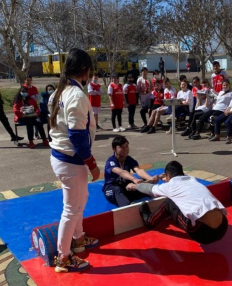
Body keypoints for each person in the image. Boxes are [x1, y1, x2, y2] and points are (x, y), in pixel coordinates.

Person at [48, 48, 100, 273]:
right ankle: (64, 257)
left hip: (63, 157)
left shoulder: (58, 92)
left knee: (80, 199)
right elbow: (77, 135)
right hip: (71, 159)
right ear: (85, 71)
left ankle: (78, 239)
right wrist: (93, 164)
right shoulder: (76, 95)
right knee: (71, 208)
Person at [126, 161, 228, 245]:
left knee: (169, 202)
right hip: (222, 228)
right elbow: (178, 181)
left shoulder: (170, 186)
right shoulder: (192, 180)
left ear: (168, 176)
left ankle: (149, 221)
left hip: (202, 233)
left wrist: (134, 186)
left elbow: (149, 188)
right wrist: (165, 177)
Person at [103, 136, 160, 207]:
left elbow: (139, 170)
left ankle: (157, 195)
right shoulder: (110, 162)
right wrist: (134, 179)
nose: (125, 149)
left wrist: (150, 178)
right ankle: (129, 208)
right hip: (111, 189)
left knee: (142, 184)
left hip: (126, 187)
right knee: (117, 190)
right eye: (121, 147)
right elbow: (122, 172)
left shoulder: (129, 159)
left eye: (126, 146)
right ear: (114, 149)